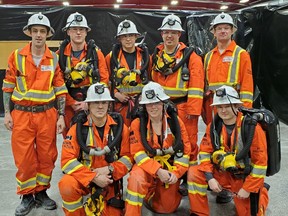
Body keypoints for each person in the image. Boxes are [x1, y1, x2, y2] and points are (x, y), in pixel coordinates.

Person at [2, 12, 67, 216]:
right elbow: (8, 86)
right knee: (24, 158)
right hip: (21, 115)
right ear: (29, 32)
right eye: (35, 31)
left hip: (47, 114)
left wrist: (62, 115)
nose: (39, 35)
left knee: (47, 156)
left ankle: (41, 193)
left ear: (48, 34)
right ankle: (26, 196)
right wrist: (7, 113)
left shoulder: (54, 58)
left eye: (42, 31)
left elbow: (60, 88)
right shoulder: (16, 56)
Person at [187, 85, 269, 216]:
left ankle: (261, 190)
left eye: (227, 106)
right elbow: (204, 153)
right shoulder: (213, 126)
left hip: (242, 178)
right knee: (194, 172)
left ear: (236, 106)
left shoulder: (251, 127)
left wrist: (248, 188)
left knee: (249, 212)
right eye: (219, 107)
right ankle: (199, 213)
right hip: (221, 173)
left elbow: (260, 163)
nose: (223, 110)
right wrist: (210, 178)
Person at [58, 83, 132, 216]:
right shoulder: (77, 129)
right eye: (96, 102)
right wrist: (93, 176)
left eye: (104, 102)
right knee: (66, 184)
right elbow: (67, 161)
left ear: (109, 105)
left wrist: (110, 169)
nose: (100, 106)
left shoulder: (120, 129)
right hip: (84, 180)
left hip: (109, 181)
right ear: (88, 105)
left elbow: (128, 159)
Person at [125, 81, 192, 215]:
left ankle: (153, 195)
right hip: (147, 168)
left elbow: (185, 151)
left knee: (166, 208)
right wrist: (157, 170)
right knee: (136, 178)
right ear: (144, 106)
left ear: (163, 103)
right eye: (149, 104)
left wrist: (176, 173)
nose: (153, 107)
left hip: (169, 169)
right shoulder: (137, 124)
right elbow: (137, 154)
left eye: (156, 103)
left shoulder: (175, 122)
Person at [150, 14, 204, 166]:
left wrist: (193, 112)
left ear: (179, 34)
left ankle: (189, 177)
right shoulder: (156, 56)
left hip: (184, 108)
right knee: (166, 139)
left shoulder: (191, 57)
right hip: (162, 108)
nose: (169, 36)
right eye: (166, 32)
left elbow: (197, 86)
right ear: (161, 34)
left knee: (189, 142)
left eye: (173, 32)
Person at [58, 12, 109, 137]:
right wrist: (72, 103)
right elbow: (58, 83)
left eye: (81, 29)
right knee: (70, 139)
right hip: (69, 105)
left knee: (93, 138)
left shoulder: (96, 54)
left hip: (92, 104)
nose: (78, 33)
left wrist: (89, 102)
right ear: (68, 32)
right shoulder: (60, 56)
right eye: (74, 29)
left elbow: (104, 80)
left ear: (86, 32)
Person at [202, 12, 254, 125]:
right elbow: (206, 86)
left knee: (233, 138)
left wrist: (245, 109)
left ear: (232, 31)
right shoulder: (208, 56)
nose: (223, 31)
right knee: (214, 136)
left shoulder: (241, 54)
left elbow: (247, 85)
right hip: (214, 105)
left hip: (233, 106)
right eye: (219, 28)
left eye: (226, 28)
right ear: (214, 32)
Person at [105, 19, 149, 127]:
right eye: (124, 36)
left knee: (140, 135)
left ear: (136, 36)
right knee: (122, 136)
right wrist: (116, 94)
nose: (128, 39)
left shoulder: (145, 57)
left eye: (131, 35)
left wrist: (144, 95)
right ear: (119, 38)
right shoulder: (111, 58)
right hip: (120, 106)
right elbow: (106, 80)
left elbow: (151, 79)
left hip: (141, 104)